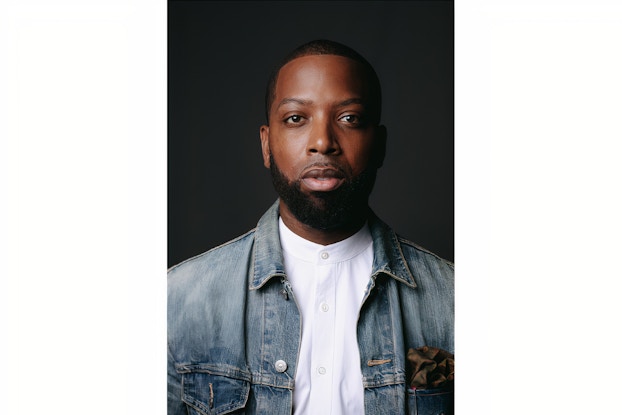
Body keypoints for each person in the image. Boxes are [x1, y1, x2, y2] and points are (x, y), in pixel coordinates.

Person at [168, 39, 454, 415]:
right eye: (296, 119)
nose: (322, 142)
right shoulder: (177, 301)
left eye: (349, 118)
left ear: (380, 145)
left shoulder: (452, 300)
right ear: (267, 145)